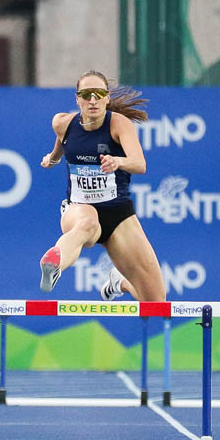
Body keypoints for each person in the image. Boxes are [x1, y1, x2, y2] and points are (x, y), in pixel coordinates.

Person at [37, 71, 165, 303]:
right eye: (87, 94)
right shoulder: (62, 123)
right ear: (78, 99)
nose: (93, 100)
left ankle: (119, 283)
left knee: (156, 302)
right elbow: (62, 143)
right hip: (79, 208)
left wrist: (118, 162)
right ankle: (54, 264)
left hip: (118, 214)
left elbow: (140, 164)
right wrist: (52, 159)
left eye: (99, 94)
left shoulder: (119, 124)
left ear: (107, 97)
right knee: (87, 223)